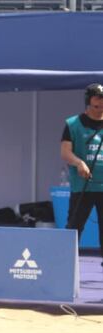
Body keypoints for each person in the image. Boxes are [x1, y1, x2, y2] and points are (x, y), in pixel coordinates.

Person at [61, 83, 103, 257]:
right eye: (97, 104)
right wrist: (79, 163)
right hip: (82, 186)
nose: (100, 108)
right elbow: (65, 152)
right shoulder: (73, 124)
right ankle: (66, 264)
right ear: (88, 101)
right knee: (75, 227)